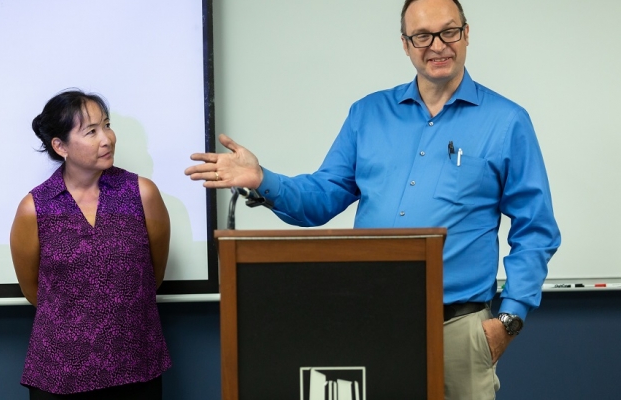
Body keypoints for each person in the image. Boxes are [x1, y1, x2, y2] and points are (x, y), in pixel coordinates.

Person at [184, 0, 561, 398]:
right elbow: (321, 198)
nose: (437, 45)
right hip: (368, 320)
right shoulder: (367, 114)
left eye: (449, 31)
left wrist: (508, 319)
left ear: (466, 34)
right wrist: (263, 179)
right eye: (422, 36)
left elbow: (535, 229)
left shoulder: (506, 121)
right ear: (405, 44)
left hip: (458, 331)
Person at [10, 89, 171, 399]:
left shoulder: (143, 194)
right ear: (60, 146)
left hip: (135, 365)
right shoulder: (35, 208)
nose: (107, 138)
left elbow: (153, 274)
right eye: (91, 131)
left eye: (107, 125)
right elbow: (34, 290)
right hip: (60, 372)